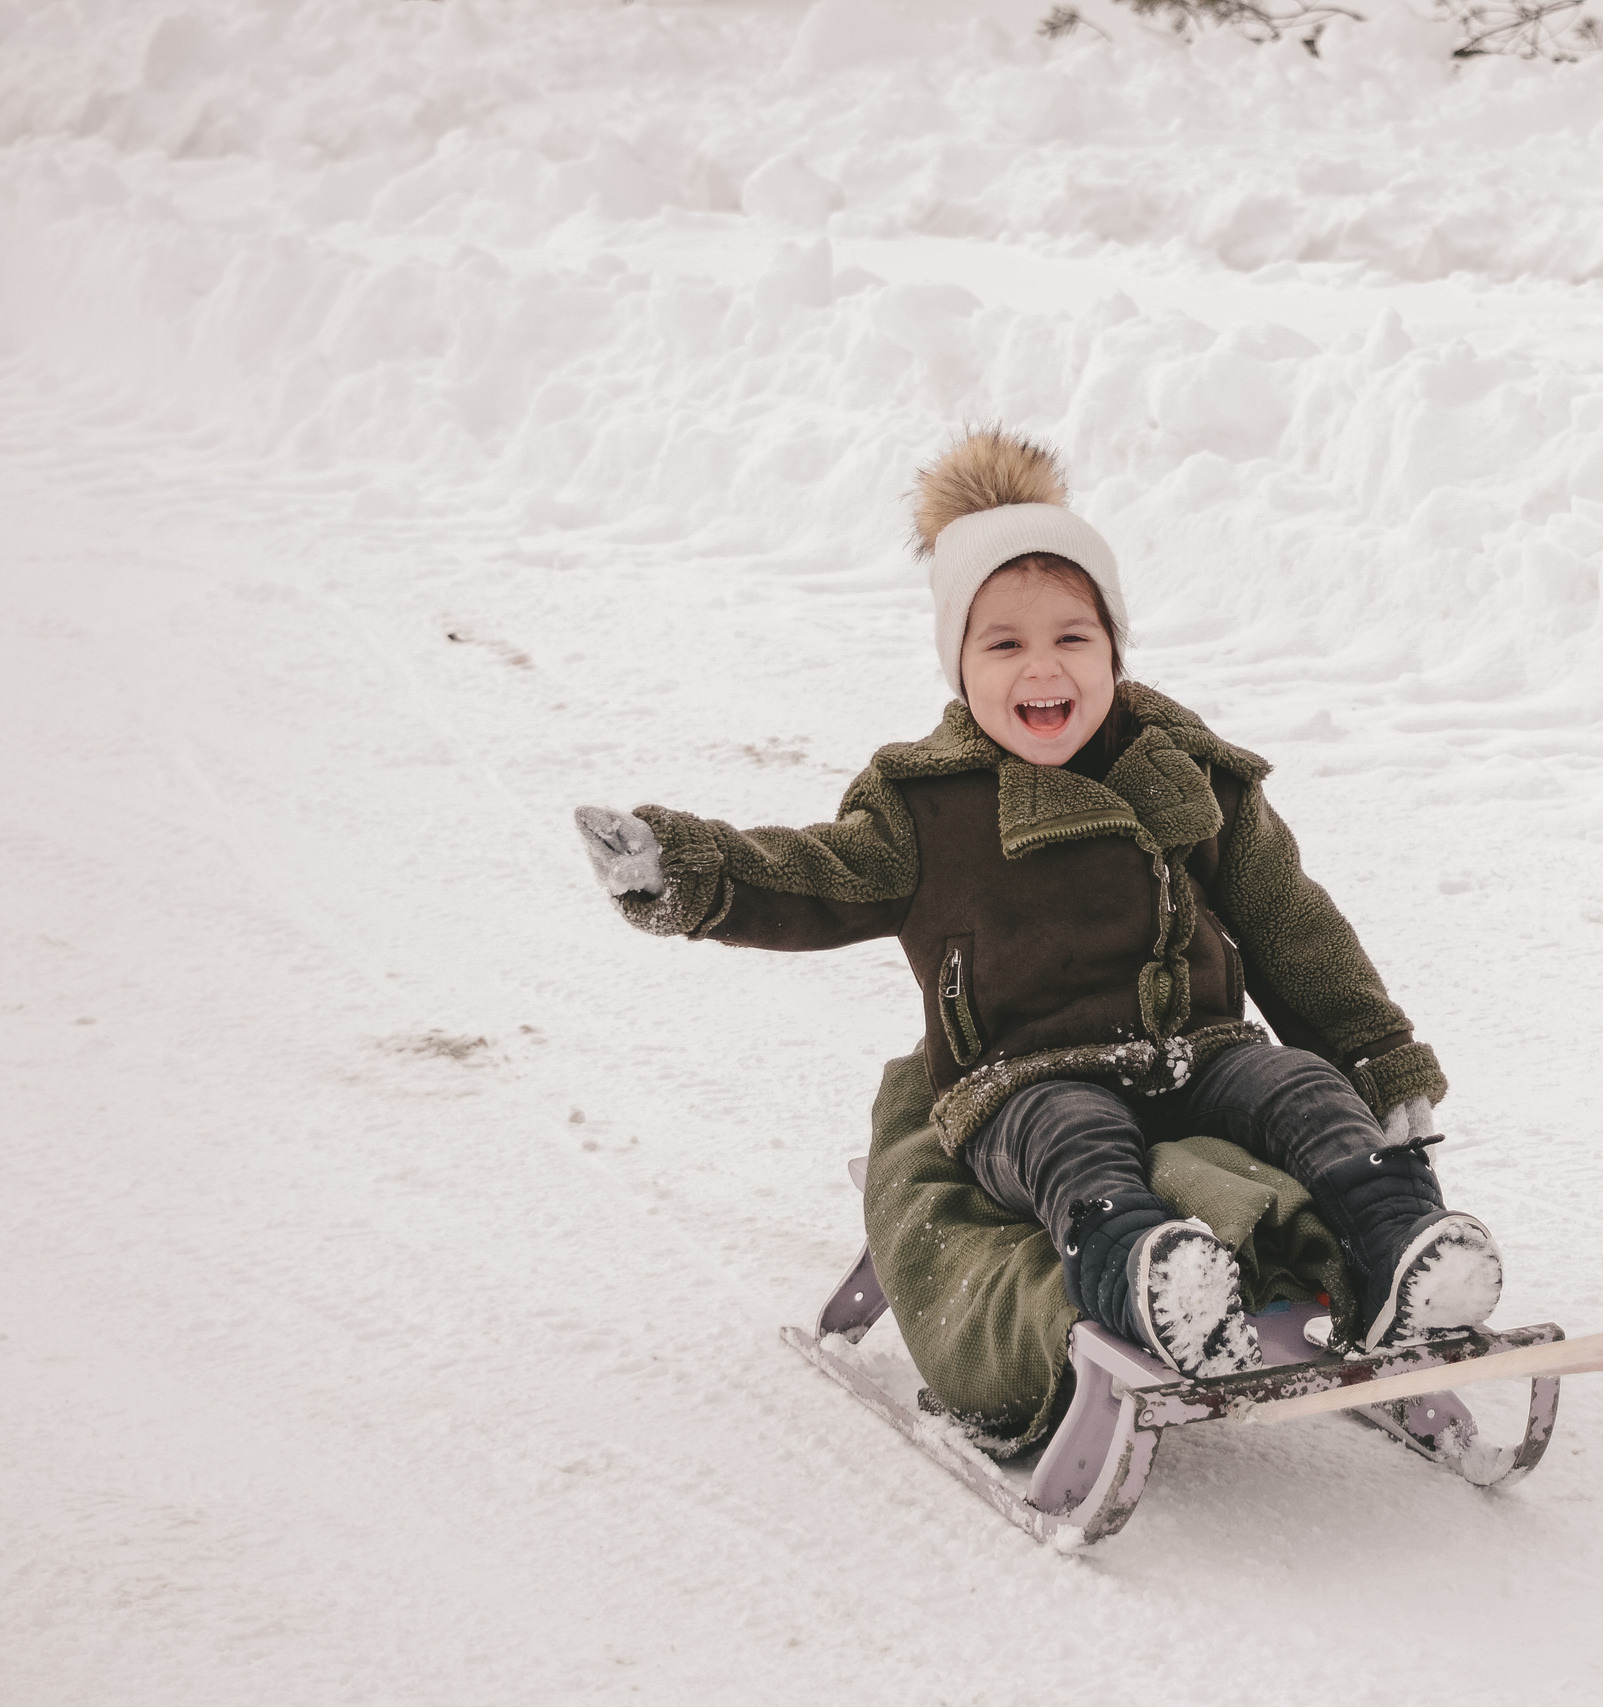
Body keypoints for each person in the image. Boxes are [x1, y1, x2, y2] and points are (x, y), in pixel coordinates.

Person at [574, 429, 1500, 1381]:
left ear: (1114, 650)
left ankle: (1404, 1247)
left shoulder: (1181, 770)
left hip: (1200, 1055)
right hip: (1022, 1080)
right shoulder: (926, 804)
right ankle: (1145, 1276)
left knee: (1303, 1086)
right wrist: (685, 870)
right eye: (1004, 644)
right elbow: (814, 874)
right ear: (960, 666)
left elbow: (1288, 922)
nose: (1042, 669)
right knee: (1077, 1136)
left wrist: (1380, 1061)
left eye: (1072, 638)